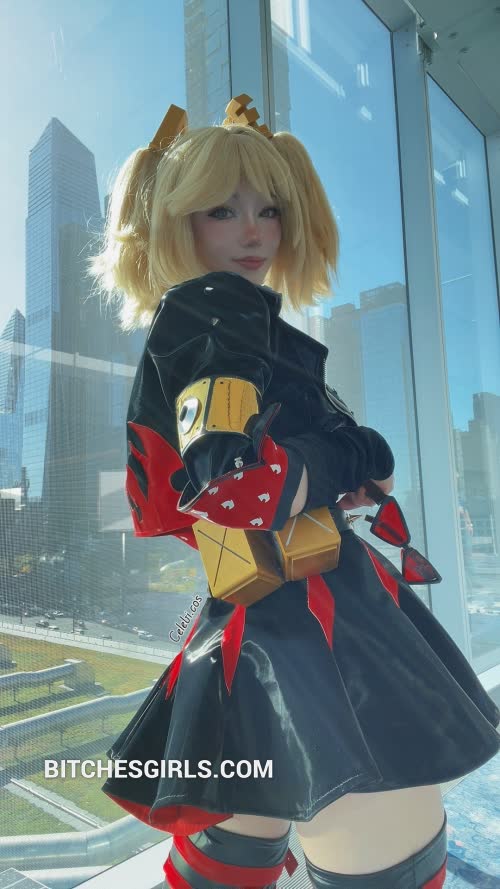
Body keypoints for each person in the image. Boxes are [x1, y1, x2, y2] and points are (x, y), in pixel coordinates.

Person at [87, 96, 500, 889]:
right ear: (179, 223)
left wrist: (334, 468)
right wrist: (354, 451)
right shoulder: (216, 309)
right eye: (223, 210)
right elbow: (237, 488)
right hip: (315, 631)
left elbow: (228, 483)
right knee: (393, 865)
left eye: (268, 210)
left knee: (226, 866)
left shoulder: (217, 321)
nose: (253, 231)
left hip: (257, 625)